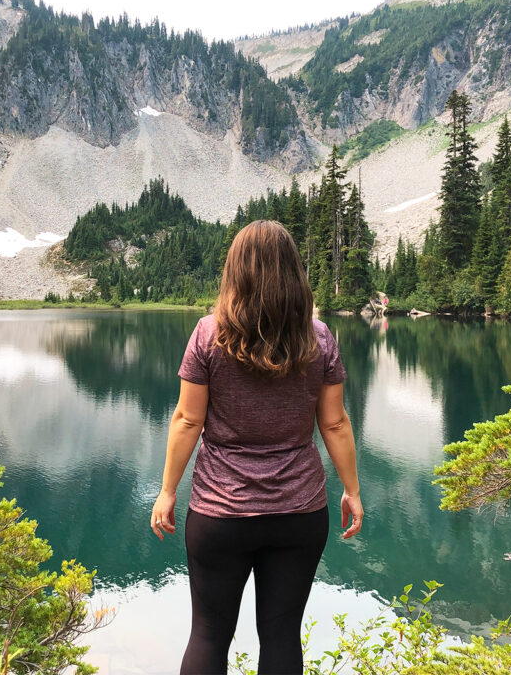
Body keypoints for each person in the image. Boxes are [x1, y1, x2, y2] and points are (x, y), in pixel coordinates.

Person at [150, 220, 364, 675]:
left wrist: (168, 491)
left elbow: (188, 419)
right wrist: (352, 490)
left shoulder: (209, 334)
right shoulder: (318, 337)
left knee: (209, 633)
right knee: (282, 634)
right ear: (294, 274)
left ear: (235, 271)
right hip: (299, 513)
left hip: (219, 513)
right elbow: (335, 422)